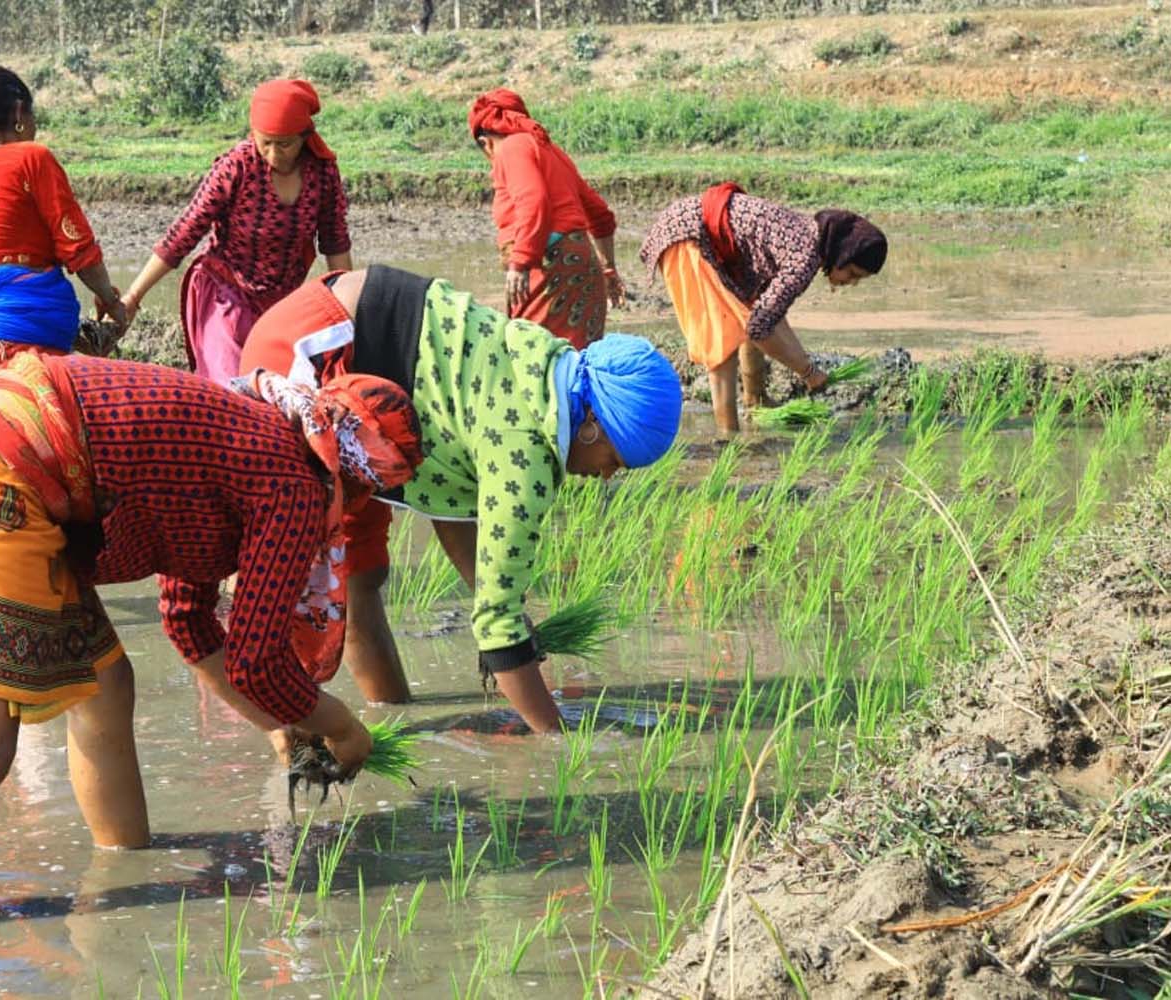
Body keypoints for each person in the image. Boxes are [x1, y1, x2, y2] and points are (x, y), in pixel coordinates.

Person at [0, 351, 421, 928]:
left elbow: (188, 618)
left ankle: (122, 863)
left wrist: (278, 726)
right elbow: (257, 663)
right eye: (368, 495)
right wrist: (344, 729)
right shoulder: (293, 483)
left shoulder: (252, 435)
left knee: (106, 684)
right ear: (355, 479)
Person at [241, 265, 682, 734]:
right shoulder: (526, 452)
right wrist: (557, 742)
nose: (606, 477)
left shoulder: (538, 365)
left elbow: (453, 503)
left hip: (341, 340)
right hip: (314, 357)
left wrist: (494, 598)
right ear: (591, 423)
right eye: (614, 459)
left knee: (362, 572)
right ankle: (295, 738)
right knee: (311, 590)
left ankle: (393, 724)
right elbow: (497, 630)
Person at [120, 79, 353, 384]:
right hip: (225, 294)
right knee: (231, 388)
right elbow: (184, 233)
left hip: (281, 303)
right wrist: (133, 296)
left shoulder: (322, 173)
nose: (272, 154)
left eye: (283, 144)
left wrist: (348, 317)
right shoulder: (237, 167)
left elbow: (335, 243)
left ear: (304, 137)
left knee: (282, 394)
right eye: (264, 142)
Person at [0, 65, 128, 393]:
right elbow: (79, 250)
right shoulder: (33, 158)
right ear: (19, 113)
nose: (36, 127)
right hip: (23, 353)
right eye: (34, 115)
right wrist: (111, 301)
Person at [639, 183, 888, 434]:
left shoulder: (807, 237)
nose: (851, 282)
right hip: (689, 237)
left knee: (751, 313)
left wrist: (805, 364)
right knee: (721, 341)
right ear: (842, 253)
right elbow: (759, 329)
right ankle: (728, 435)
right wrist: (808, 372)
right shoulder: (803, 260)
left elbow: (767, 315)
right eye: (852, 272)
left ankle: (754, 399)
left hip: (698, 231)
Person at [468, 88, 622, 349]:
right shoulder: (551, 151)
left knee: (531, 359)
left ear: (486, 142)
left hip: (549, 270)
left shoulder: (510, 148)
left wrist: (520, 262)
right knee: (578, 361)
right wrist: (608, 267)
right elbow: (600, 215)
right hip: (583, 267)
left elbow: (533, 200)